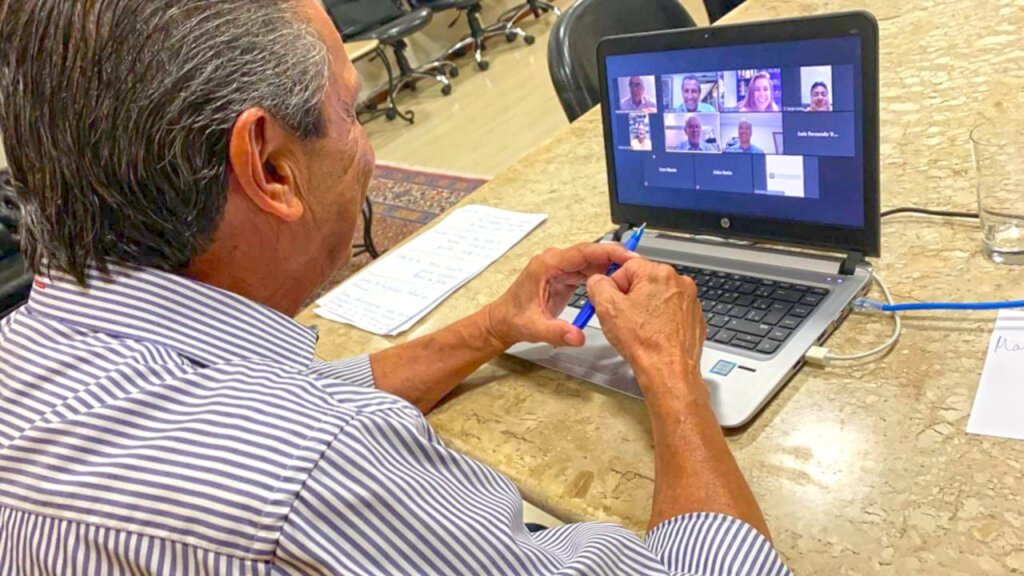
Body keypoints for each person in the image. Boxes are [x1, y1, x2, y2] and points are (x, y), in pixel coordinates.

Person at [0, 1, 792, 574]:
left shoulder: (38, 353)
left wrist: (493, 326)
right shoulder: (321, 476)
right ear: (272, 169)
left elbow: (317, 390)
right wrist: (669, 371)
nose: (370, 150)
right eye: (351, 110)